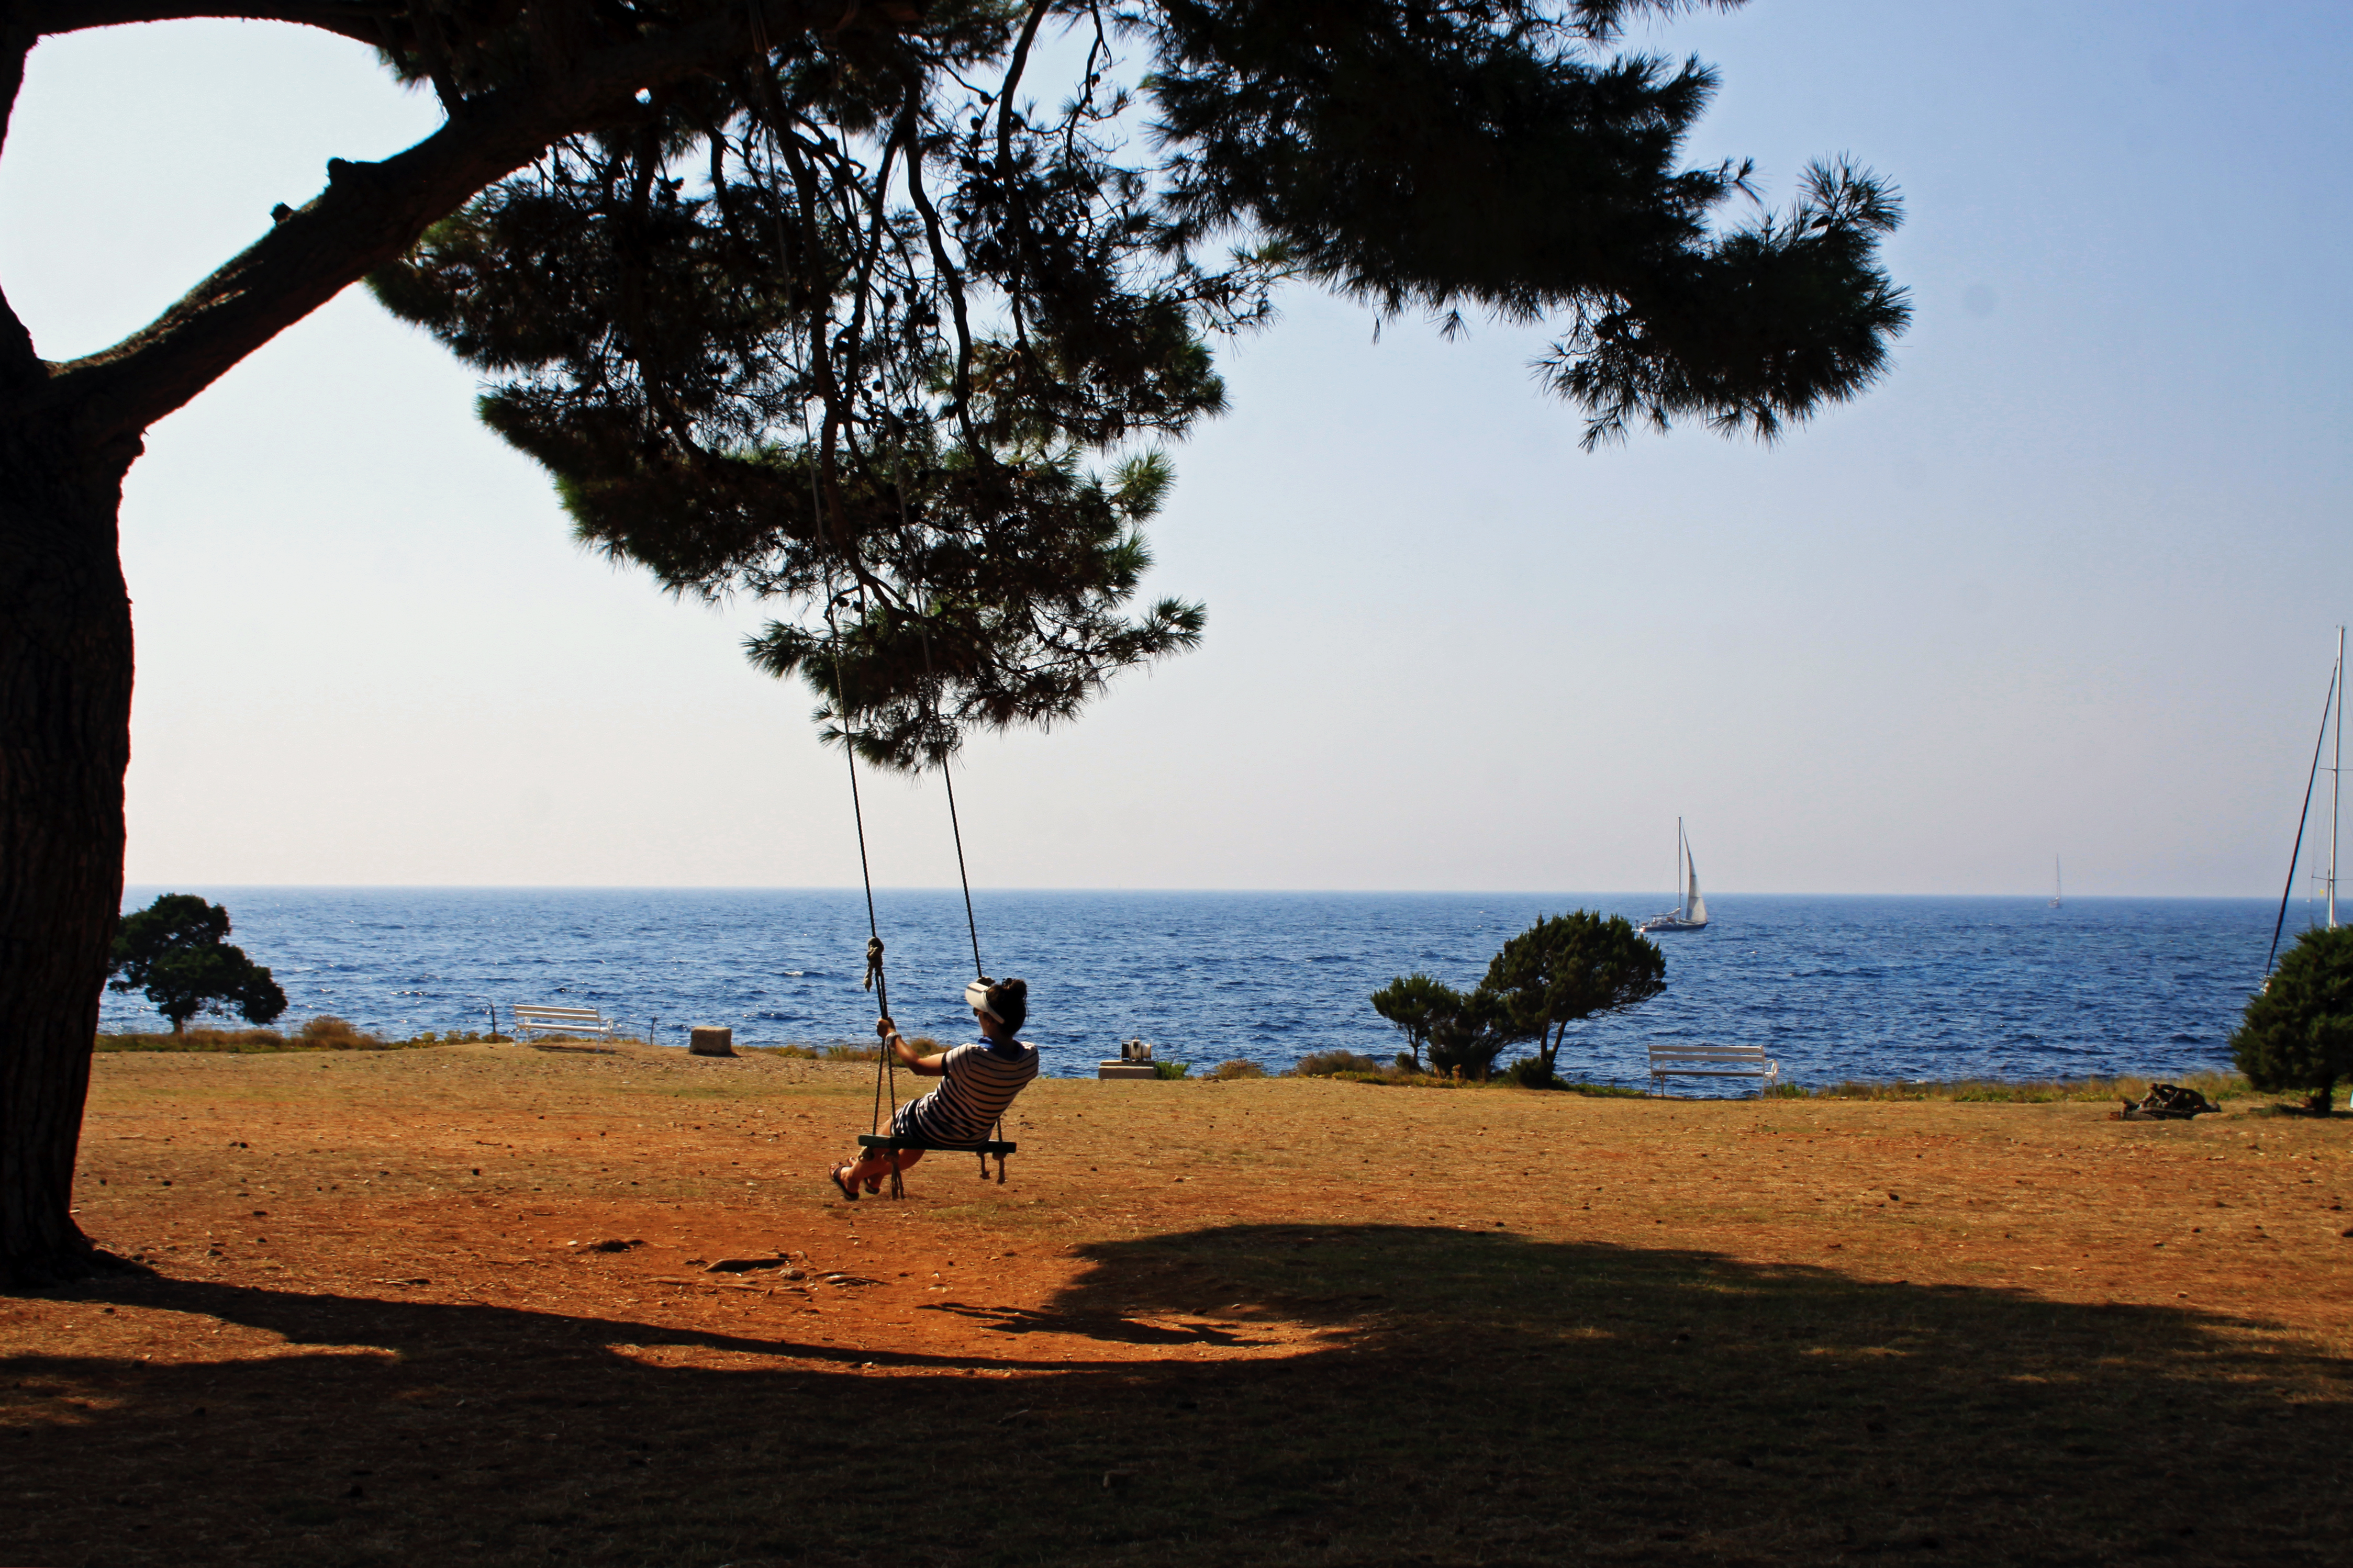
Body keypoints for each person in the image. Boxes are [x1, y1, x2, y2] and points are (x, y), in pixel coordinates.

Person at [829, 977, 1036, 1199]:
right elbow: (998, 1042)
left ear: (990, 1020)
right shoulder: (1029, 1057)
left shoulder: (971, 1056)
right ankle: (876, 1176)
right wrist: (987, 998)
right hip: (974, 1135)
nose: (977, 1015)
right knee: (913, 1144)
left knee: (898, 1125)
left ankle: (851, 1179)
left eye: (980, 1012)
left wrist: (892, 1036)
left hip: (931, 1123)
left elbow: (918, 1065)